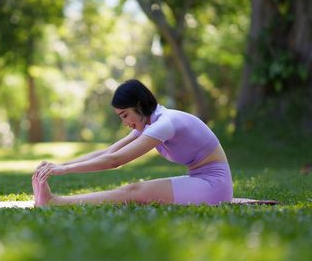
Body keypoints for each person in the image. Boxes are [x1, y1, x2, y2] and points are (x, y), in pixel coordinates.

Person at [32, 79, 232, 206]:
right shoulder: (149, 122)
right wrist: (58, 165)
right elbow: (109, 152)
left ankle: (54, 202)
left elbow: (115, 161)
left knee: (133, 191)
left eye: (125, 115)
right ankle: (53, 201)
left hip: (214, 186)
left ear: (139, 105)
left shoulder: (165, 123)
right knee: (133, 191)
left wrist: (64, 171)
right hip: (201, 180)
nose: (125, 123)